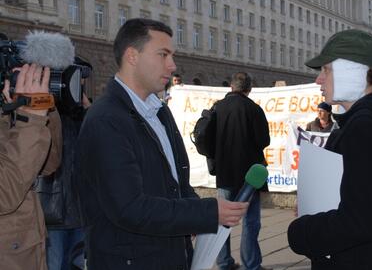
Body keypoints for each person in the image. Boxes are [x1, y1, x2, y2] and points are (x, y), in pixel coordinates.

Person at [75, 18, 248, 270]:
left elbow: (176, 183)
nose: (172, 65)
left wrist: (197, 215)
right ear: (132, 56)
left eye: (172, 55)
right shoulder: (105, 119)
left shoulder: (159, 111)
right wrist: (207, 213)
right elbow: (129, 208)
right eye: (163, 55)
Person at [287, 29, 372, 270]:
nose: (318, 80)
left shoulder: (365, 127)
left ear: (351, 71)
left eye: (326, 70)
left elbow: (358, 221)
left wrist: (300, 231)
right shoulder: (368, 121)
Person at [0, 64, 62, 270]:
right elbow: (5, 192)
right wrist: (32, 119)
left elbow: (46, 165)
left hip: (27, 253)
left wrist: (43, 105)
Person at [214, 72, 271, 270]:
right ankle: (251, 265)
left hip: (224, 172)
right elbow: (264, 141)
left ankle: (223, 262)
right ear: (248, 89)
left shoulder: (217, 107)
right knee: (250, 221)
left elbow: (207, 140)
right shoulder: (254, 109)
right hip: (250, 176)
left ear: (231, 86)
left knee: (222, 220)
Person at [42, 57, 93, 270]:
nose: (80, 85)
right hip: (53, 211)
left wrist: (89, 111)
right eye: (77, 79)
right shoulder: (47, 115)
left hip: (81, 211)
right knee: (54, 265)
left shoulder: (84, 115)